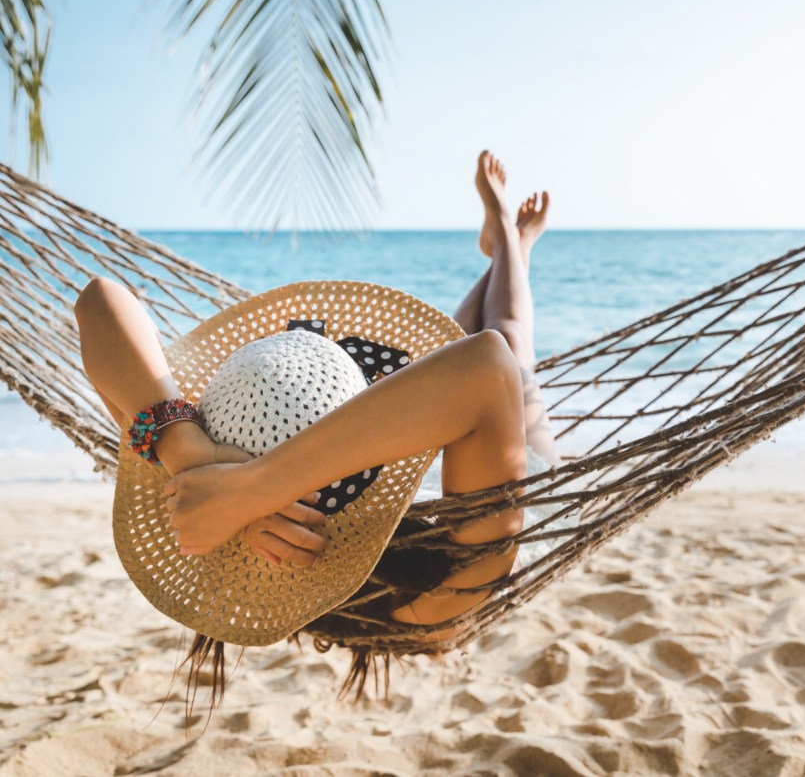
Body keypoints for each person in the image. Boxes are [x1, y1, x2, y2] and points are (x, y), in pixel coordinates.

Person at [74, 150, 557, 633]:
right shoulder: (439, 591)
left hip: (410, 435)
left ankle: (506, 246)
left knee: (469, 337)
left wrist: (191, 455)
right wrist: (249, 492)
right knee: (511, 339)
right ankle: (513, 243)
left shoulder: (192, 503)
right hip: (507, 477)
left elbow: (98, 302)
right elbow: (490, 366)